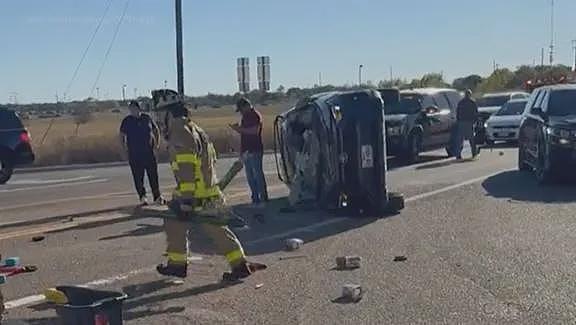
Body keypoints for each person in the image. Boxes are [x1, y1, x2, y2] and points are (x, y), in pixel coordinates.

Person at [152, 89, 266, 280]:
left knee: (205, 227)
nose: (158, 118)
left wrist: (186, 201)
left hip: (196, 194)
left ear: (169, 113)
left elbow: (186, 168)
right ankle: (180, 264)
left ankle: (236, 265)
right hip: (206, 192)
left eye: (160, 113)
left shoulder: (180, 133)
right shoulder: (193, 128)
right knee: (191, 225)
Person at [119, 100, 164, 205]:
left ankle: (157, 196)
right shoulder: (127, 121)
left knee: (153, 175)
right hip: (134, 154)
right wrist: (124, 149)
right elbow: (121, 136)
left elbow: (155, 130)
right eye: (130, 108)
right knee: (138, 176)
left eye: (134, 108)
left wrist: (157, 143)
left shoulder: (146, 118)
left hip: (149, 152)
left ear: (138, 108)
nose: (132, 110)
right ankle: (142, 196)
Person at [230, 97, 268, 206]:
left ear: (246, 106)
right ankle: (255, 197)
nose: (241, 112)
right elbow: (245, 132)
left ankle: (263, 197)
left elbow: (255, 131)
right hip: (246, 150)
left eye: (241, 109)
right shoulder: (245, 117)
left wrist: (239, 129)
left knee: (257, 174)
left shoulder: (255, 115)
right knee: (250, 175)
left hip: (255, 149)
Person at [454, 89, 479, 159]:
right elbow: (475, 113)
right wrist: (475, 121)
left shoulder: (461, 102)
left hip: (462, 122)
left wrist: (458, 120)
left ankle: (458, 154)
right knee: (471, 139)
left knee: (460, 140)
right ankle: (474, 153)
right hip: (469, 122)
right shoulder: (472, 102)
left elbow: (457, 112)